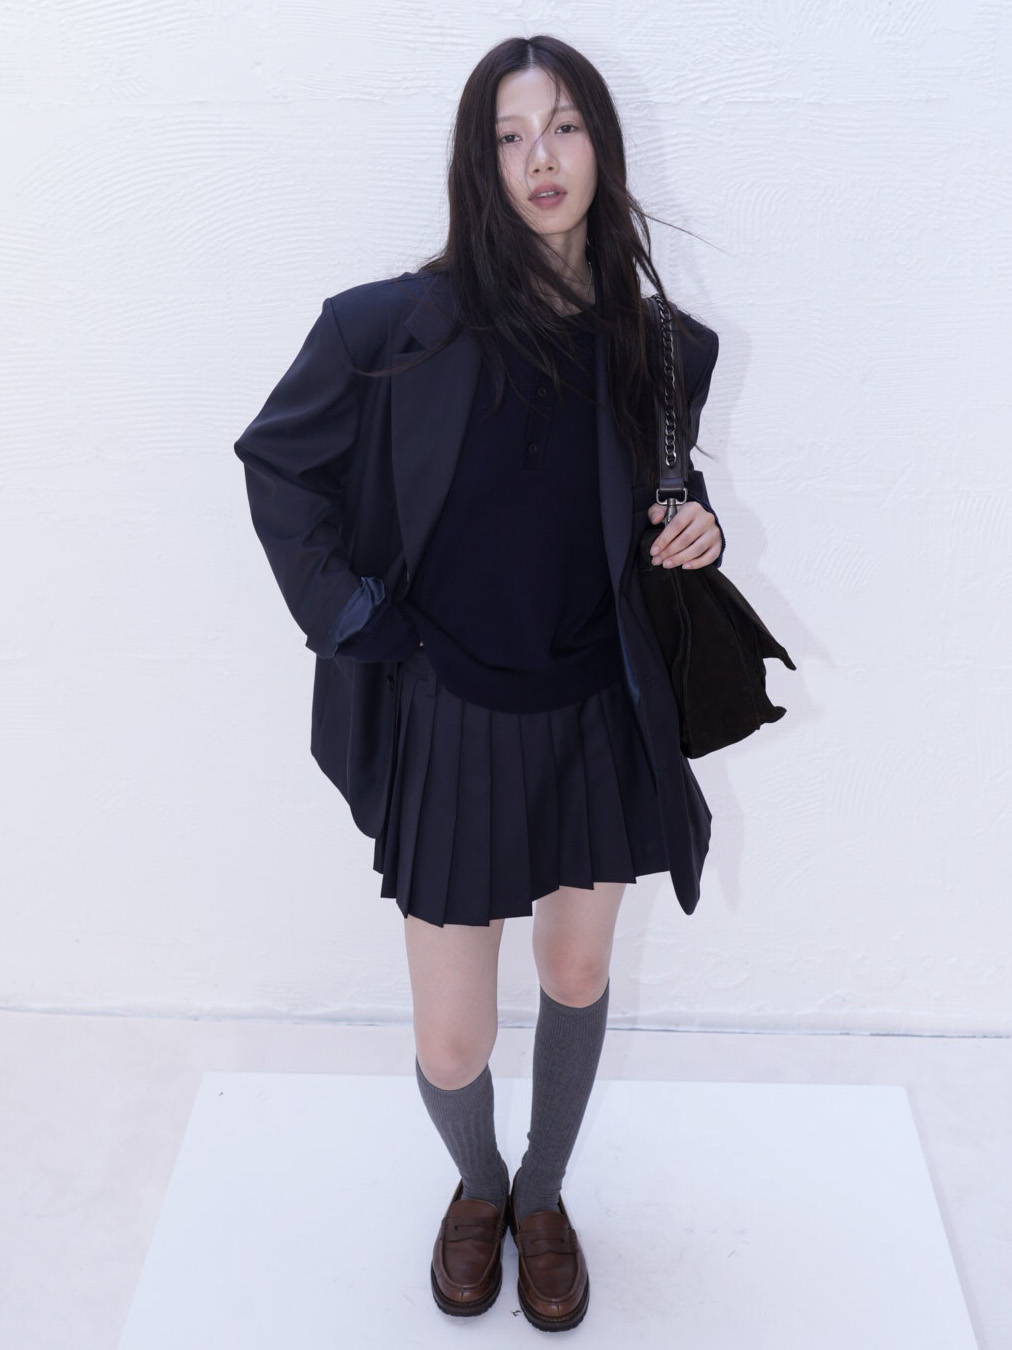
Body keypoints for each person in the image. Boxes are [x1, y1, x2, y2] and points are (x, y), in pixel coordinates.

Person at [234, 34, 723, 1332]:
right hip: (452, 716)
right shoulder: (387, 328)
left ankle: (543, 1198)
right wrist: (354, 618)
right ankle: (481, 1185)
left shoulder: (657, 344)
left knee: (576, 973)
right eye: (509, 136)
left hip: (595, 712)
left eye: (563, 128)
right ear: (477, 162)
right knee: (452, 1040)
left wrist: (696, 523)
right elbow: (278, 464)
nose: (540, 158)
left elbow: (660, 489)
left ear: (600, 147)